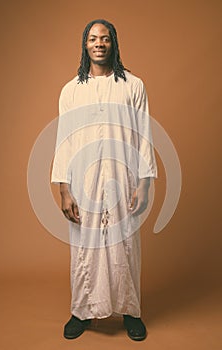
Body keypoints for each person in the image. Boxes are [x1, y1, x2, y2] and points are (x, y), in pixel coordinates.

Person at [51, 19, 157, 341]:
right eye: (93, 39)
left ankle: (130, 311)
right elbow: (64, 140)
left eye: (105, 39)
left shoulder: (133, 86)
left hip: (122, 178)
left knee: (126, 245)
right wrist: (64, 189)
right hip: (83, 181)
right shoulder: (71, 91)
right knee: (85, 246)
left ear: (114, 44)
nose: (99, 44)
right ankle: (81, 312)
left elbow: (143, 137)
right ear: (85, 44)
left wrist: (144, 183)